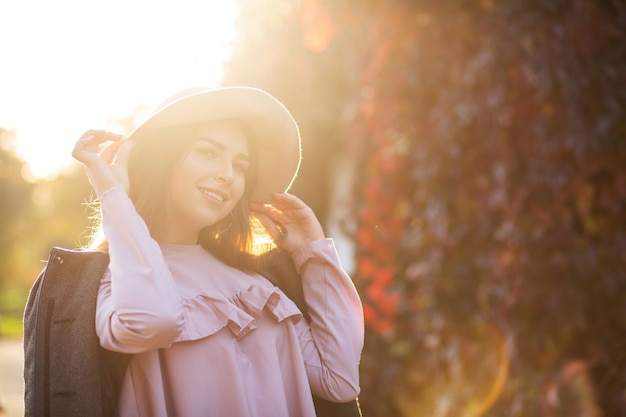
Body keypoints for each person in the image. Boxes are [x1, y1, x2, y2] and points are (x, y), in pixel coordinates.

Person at [70, 86, 364, 417]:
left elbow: (339, 380)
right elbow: (154, 322)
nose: (227, 175)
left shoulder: (260, 289)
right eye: (208, 152)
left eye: (240, 166)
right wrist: (114, 196)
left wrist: (313, 252)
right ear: (162, 160)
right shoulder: (119, 286)